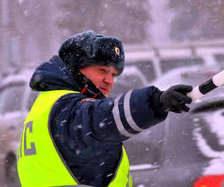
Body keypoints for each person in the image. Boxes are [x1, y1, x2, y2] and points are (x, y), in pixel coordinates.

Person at [17, 30, 192, 187]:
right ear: (75, 69)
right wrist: (156, 102)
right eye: (102, 70)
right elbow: (103, 118)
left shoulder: (47, 105)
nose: (109, 80)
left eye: (113, 74)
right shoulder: (67, 109)